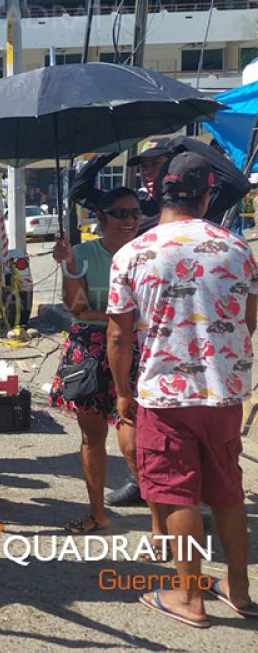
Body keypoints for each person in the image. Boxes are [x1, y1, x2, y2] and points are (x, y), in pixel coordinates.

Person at [108, 153, 258, 626]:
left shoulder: (133, 253)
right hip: (224, 393)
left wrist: (122, 392)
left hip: (165, 395)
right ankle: (239, 586)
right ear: (208, 195)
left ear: (157, 193)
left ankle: (189, 597)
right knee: (228, 489)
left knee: (177, 494)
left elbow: (118, 335)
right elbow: (249, 320)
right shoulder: (238, 249)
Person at [49, 188, 147, 537]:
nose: (130, 220)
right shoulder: (84, 254)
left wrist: (104, 315)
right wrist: (70, 265)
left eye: (136, 212)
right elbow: (76, 307)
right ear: (102, 217)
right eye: (121, 213)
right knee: (93, 436)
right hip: (90, 351)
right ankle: (97, 512)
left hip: (137, 349)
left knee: (135, 441)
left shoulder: (148, 252)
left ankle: (166, 515)